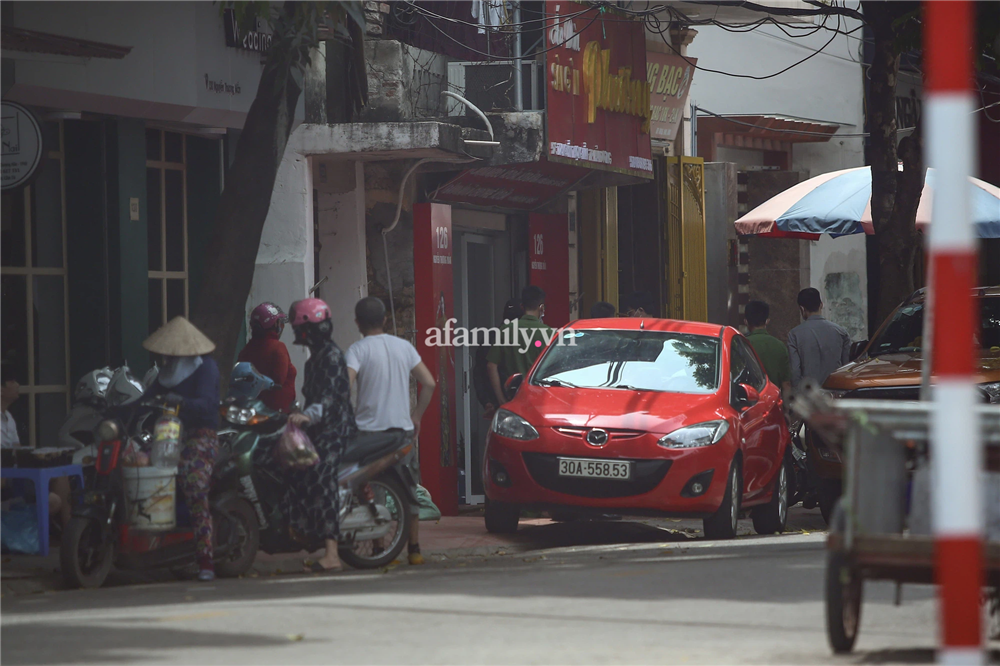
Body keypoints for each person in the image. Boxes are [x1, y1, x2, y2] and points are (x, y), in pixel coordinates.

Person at [345, 297, 436, 566]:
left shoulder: (357, 350)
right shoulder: (404, 347)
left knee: (373, 490)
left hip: (369, 435)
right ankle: (414, 549)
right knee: (407, 488)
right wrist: (416, 415)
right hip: (402, 434)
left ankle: (378, 548)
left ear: (357, 323)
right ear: (385, 320)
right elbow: (429, 382)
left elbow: (344, 385)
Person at [141, 317, 221, 581]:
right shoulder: (166, 373)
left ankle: (206, 559)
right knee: (142, 472)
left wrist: (183, 402)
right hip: (167, 434)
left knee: (195, 485)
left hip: (201, 436)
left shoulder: (206, 368)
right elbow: (147, 399)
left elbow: (208, 405)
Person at [285, 298, 356, 573]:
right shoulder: (314, 360)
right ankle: (304, 531)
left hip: (336, 431)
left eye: (299, 328)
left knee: (321, 473)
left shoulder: (332, 357)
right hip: (318, 429)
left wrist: (307, 416)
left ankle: (332, 553)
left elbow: (328, 398)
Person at [0, 371, 71, 528]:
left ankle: (70, 536)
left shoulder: (9, 418)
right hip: (6, 477)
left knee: (61, 475)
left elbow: (17, 451)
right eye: (12, 381)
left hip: (16, 474)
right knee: (53, 502)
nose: (18, 385)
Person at [487, 285, 554, 407]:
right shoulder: (550, 333)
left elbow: (491, 365)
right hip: (540, 400)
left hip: (513, 399)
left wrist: (501, 399)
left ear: (522, 307)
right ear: (542, 308)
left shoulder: (506, 330)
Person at [238, 302, 297, 412]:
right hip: (276, 416)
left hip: (253, 411)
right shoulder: (278, 347)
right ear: (274, 325)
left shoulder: (246, 350)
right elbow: (278, 380)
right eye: (278, 323)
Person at [787, 288, 852, 388]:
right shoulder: (841, 332)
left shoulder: (794, 334)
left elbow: (795, 370)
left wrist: (799, 393)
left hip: (809, 393)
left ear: (802, 308)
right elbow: (847, 366)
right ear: (821, 305)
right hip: (835, 391)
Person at [473, 299, 523, 418]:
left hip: (496, 402)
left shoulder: (491, 337)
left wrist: (486, 401)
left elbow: (479, 372)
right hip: (520, 401)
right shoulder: (526, 338)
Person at [744, 300, 792, 394]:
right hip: (773, 403)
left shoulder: (741, 344)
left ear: (746, 321)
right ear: (767, 321)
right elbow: (786, 384)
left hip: (748, 403)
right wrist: (785, 407)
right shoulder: (780, 346)